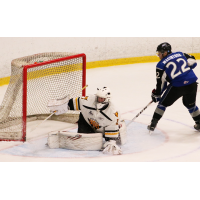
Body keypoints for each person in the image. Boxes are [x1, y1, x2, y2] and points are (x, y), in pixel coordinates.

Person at [48, 87, 126, 155]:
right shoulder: (89, 100)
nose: (99, 100)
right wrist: (64, 106)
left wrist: (111, 141)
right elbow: (75, 102)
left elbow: (112, 125)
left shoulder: (113, 112)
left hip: (102, 130)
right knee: (82, 141)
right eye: (98, 97)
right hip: (87, 123)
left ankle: (118, 126)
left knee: (111, 134)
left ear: (107, 99)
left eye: (102, 98)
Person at [148, 42, 200, 132]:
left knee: (162, 104)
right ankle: (199, 123)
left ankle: (153, 124)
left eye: (160, 53)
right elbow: (193, 61)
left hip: (177, 86)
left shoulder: (160, 65)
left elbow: (161, 82)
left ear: (165, 52)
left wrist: (157, 94)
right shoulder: (180, 53)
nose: (159, 55)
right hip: (192, 83)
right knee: (190, 105)